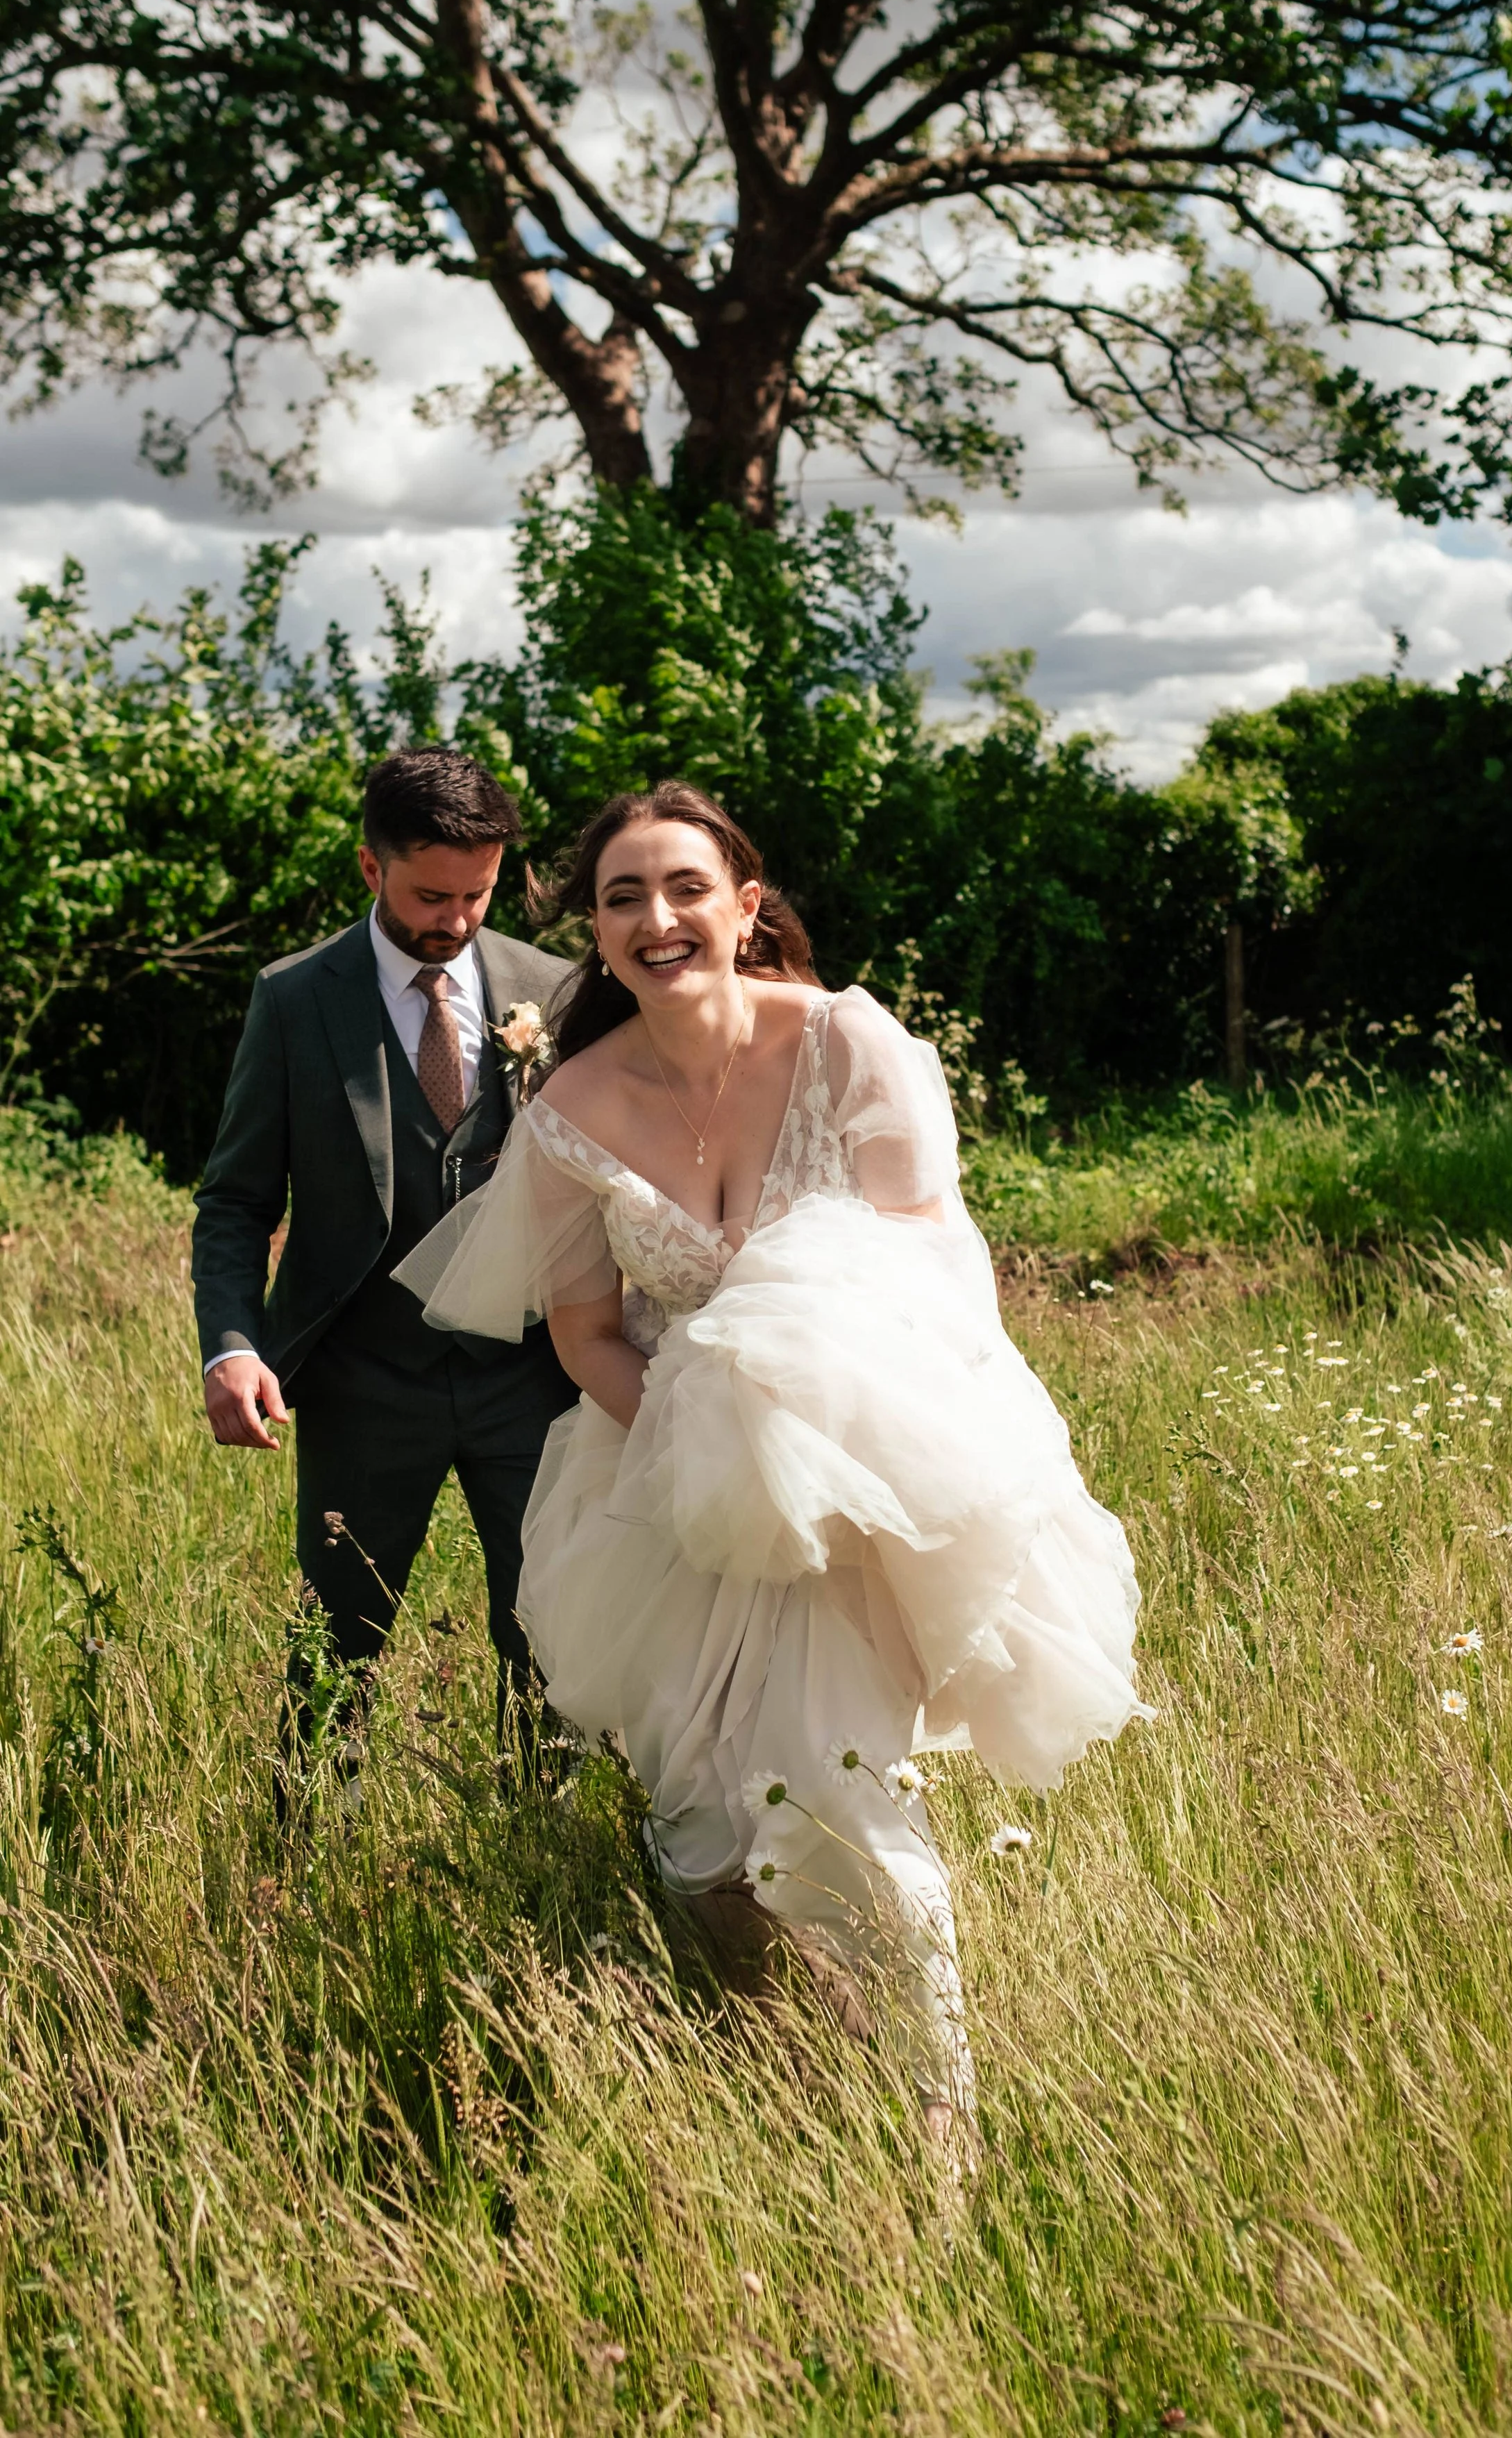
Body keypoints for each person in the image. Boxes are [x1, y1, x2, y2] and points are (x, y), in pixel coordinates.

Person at [396, 781, 1149, 2135]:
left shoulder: (851, 1049)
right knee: (701, 1852)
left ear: (745, 907)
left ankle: (936, 2161)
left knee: (850, 1823)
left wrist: (820, 1463)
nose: (655, 917)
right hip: (664, 1493)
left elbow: (934, 1282)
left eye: (683, 887)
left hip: (861, 1482)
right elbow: (579, 1335)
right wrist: (703, 1450)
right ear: (596, 930)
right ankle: (801, 2081)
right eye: (621, 896)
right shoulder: (570, 1105)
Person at [191, 747, 578, 1789]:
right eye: (429, 894)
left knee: (555, 1647)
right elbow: (234, 1202)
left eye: (479, 893)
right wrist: (231, 1347)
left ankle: (543, 1870)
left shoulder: (554, 989)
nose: (455, 916)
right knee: (333, 1660)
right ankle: (296, 1877)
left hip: (532, 1378)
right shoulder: (293, 999)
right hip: (364, 1381)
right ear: (371, 868)